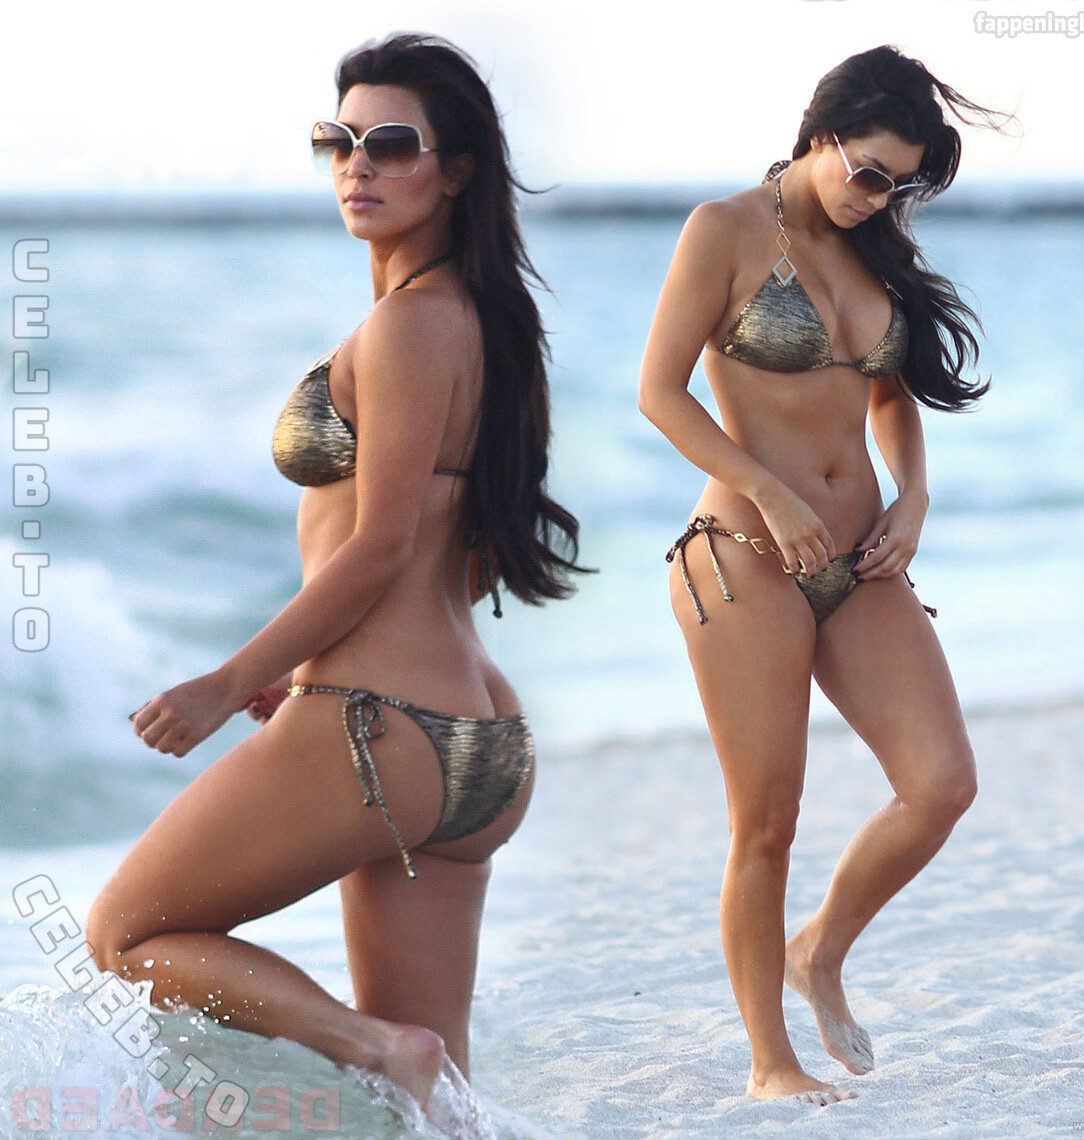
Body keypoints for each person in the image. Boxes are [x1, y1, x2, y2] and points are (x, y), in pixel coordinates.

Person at [86, 33, 584, 1111]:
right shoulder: (484, 322)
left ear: (455, 170)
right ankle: (396, 1059)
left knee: (124, 933)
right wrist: (301, 661)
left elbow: (381, 544)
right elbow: (460, 549)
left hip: (378, 724)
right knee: (440, 1101)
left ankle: (368, 1045)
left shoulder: (409, 326)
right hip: (481, 742)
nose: (357, 165)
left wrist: (224, 683)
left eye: (390, 144)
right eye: (338, 141)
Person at [638, 45, 1005, 1103]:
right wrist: (768, 490)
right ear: (819, 135)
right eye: (868, 172)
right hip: (744, 558)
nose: (877, 197)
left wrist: (914, 495)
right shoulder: (722, 231)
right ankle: (770, 1062)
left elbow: (890, 393)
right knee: (766, 823)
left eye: (898, 184)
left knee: (940, 784)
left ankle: (819, 949)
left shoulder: (871, 247)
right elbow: (659, 392)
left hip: (862, 560)